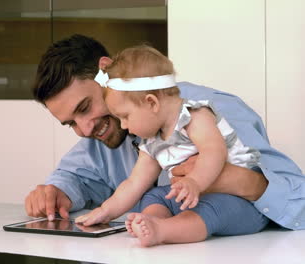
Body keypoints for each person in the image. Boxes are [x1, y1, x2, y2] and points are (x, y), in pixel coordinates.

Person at [26, 34, 305, 231]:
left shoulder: (212, 111)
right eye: (71, 123)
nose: (84, 129)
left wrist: (244, 183)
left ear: (106, 72)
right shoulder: (103, 135)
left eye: (85, 108)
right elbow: (76, 177)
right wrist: (56, 192)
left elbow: (301, 206)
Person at [73, 44, 269, 246]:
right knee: (153, 195)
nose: (123, 125)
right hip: (195, 198)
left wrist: (194, 182)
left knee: (208, 209)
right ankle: (152, 221)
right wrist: (105, 211)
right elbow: (134, 183)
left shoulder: (195, 116)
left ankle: (162, 230)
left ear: (152, 103)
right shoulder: (152, 140)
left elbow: (213, 152)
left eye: (125, 117)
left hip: (239, 204)